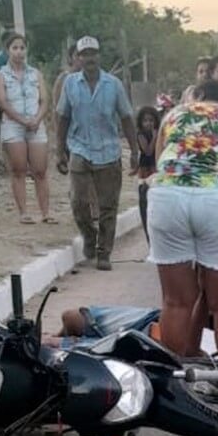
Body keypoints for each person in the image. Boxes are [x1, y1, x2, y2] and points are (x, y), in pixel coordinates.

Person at [145, 80, 218, 361]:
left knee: (175, 302)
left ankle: (171, 384)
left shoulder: (174, 115)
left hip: (168, 198)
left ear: (199, 96)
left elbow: (161, 161)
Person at [56, 36, 138, 271]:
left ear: (99, 56)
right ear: (78, 58)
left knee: (108, 206)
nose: (89, 58)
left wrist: (134, 150)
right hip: (79, 147)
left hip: (108, 150)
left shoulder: (114, 84)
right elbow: (62, 117)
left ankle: (104, 252)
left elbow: (126, 117)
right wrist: (59, 150)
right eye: (84, 54)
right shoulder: (70, 83)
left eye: (93, 53)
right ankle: (89, 238)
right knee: (78, 201)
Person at [0, 34, 55, 225]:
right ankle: (24, 212)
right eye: (15, 48)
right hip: (13, 124)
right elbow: (2, 101)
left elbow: (45, 99)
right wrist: (21, 119)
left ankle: (45, 212)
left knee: (40, 170)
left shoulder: (35, 74)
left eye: (22, 48)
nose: (19, 52)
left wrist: (37, 118)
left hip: (36, 123)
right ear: (7, 51)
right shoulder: (1, 75)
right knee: (18, 169)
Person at [132, 105, 160, 240]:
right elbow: (147, 151)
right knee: (145, 196)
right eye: (145, 121)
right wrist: (154, 138)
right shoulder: (140, 135)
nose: (149, 123)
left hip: (156, 167)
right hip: (145, 169)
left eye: (151, 120)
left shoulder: (159, 133)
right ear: (141, 122)